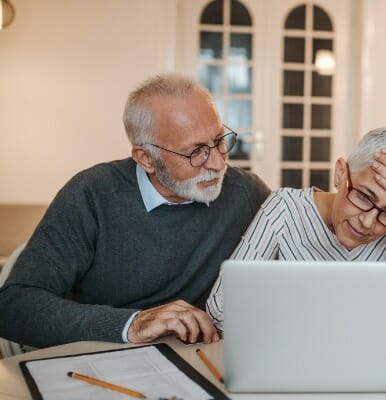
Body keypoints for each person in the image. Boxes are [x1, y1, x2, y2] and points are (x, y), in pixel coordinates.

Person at [0, 74, 270, 348]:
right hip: (102, 359)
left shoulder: (245, 192)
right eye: (196, 152)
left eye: (219, 141)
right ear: (146, 158)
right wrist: (132, 324)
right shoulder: (92, 195)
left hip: (200, 359)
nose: (217, 163)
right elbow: (14, 305)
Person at [207, 127, 386, 330]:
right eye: (363, 197)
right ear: (340, 173)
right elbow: (220, 307)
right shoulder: (286, 208)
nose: (368, 222)